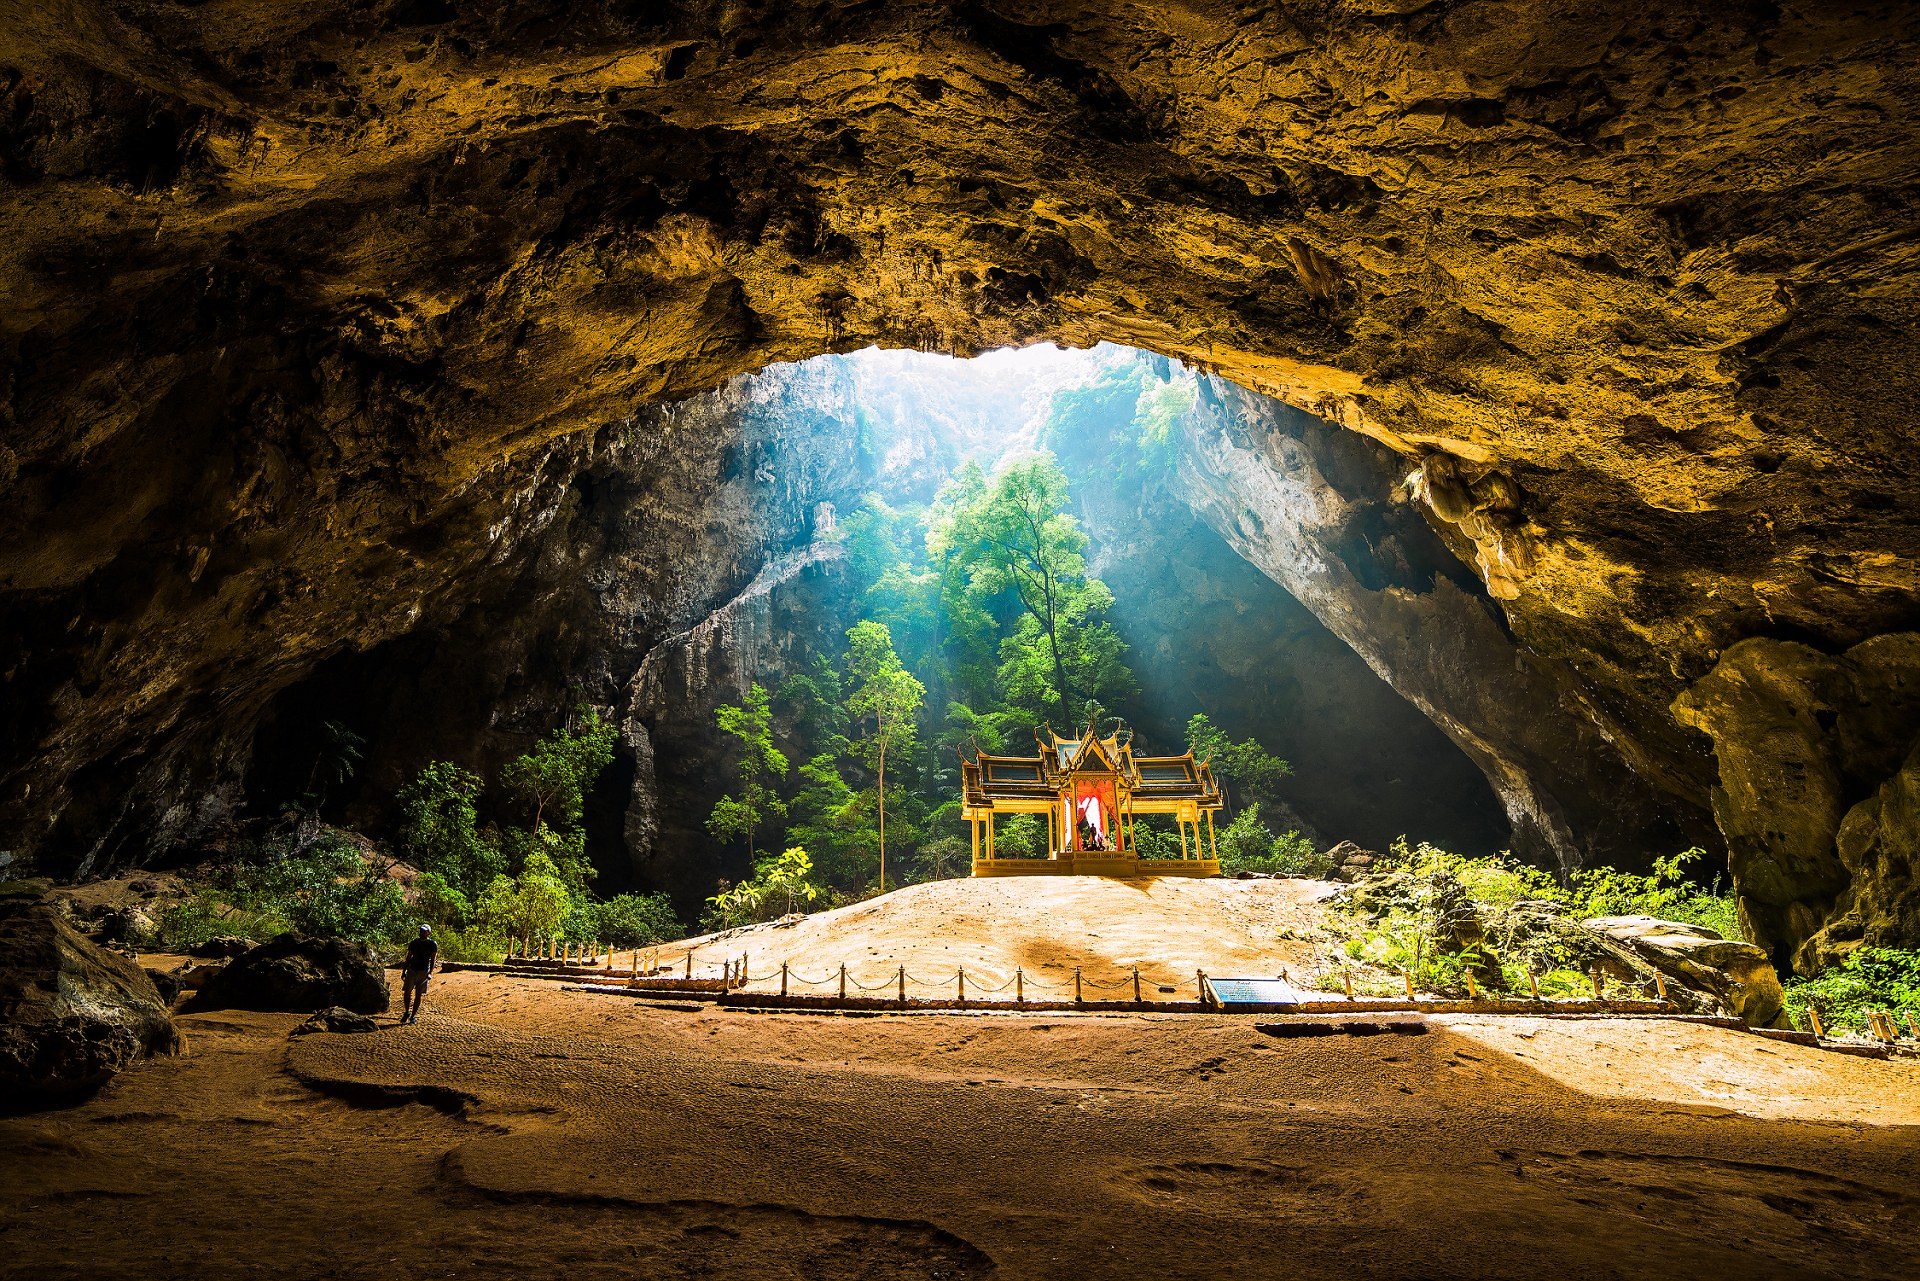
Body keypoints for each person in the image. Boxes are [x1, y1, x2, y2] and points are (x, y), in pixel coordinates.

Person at [400, 924, 437, 1025]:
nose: (422, 933)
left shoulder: (432, 944)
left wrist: (430, 973)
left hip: (423, 971)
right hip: (412, 969)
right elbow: (408, 957)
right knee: (407, 992)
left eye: (424, 932)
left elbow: (433, 959)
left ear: (428, 933)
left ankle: (413, 1016)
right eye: (421, 931)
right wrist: (404, 971)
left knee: (418, 994)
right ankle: (407, 1012)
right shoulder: (414, 943)